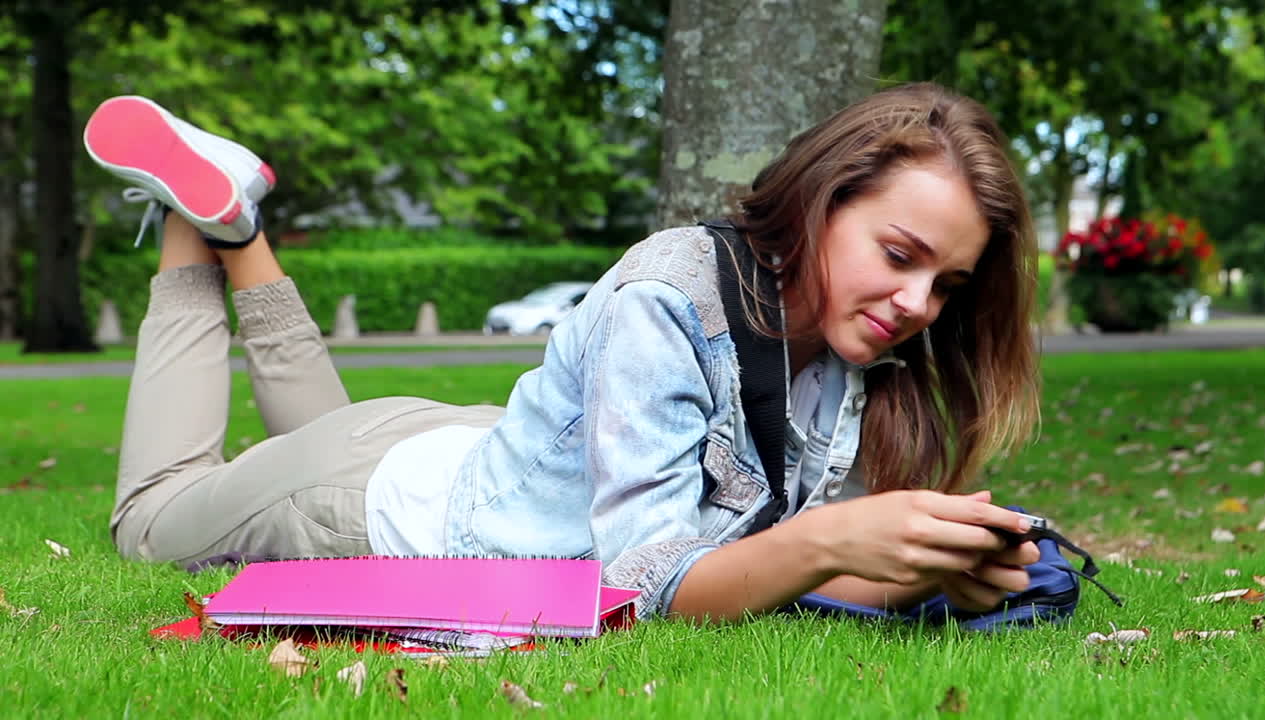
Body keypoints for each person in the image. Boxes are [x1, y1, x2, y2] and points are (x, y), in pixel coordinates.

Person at [86, 83, 1041, 624]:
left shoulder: (843, 340)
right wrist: (838, 538)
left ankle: (237, 220)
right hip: (375, 512)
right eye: (900, 256)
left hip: (467, 454)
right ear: (825, 196)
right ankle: (194, 218)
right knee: (148, 520)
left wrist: (915, 566)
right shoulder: (672, 297)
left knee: (325, 435)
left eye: (947, 285)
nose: (919, 304)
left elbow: (743, 552)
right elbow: (642, 584)